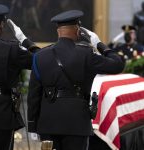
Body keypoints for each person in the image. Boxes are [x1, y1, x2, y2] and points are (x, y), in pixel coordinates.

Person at [27, 10, 124, 150]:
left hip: (48, 123)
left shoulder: (40, 56)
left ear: (58, 31)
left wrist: (32, 125)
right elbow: (117, 65)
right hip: (77, 123)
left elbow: (34, 94)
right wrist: (99, 44)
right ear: (78, 30)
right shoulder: (86, 54)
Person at [0, 4, 38, 150]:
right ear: (0, 25)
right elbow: (41, 61)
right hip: (0, 113)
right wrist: (25, 41)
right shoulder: (10, 49)